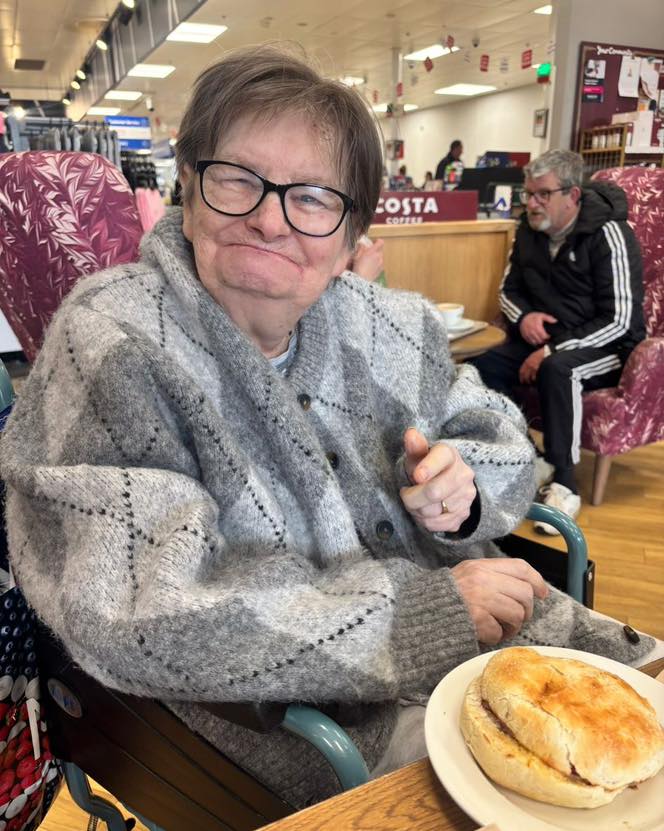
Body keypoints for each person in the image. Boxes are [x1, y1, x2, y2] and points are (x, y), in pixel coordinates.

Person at [0, 50, 653, 810]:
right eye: (237, 178)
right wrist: (421, 618)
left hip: (515, 641)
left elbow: (501, 431)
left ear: (351, 238)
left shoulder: (389, 322)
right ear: (190, 188)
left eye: (312, 198)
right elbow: (141, 611)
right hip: (315, 726)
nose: (269, 218)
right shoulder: (113, 341)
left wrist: (467, 486)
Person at [471, 150, 644, 533]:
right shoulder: (527, 230)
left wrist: (551, 349)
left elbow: (621, 320)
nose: (532, 204)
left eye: (543, 194)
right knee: (481, 362)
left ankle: (565, 483)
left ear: (573, 195)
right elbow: (508, 291)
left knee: (558, 369)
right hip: (546, 338)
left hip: (608, 346)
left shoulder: (610, 234)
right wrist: (524, 318)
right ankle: (530, 458)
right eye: (529, 194)